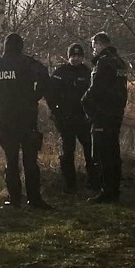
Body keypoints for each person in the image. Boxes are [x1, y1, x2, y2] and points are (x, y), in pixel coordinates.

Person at [0, 33, 52, 209]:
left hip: (5, 117)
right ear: (21, 46)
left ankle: (14, 200)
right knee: (30, 160)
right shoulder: (28, 63)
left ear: (5, 47)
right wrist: (34, 96)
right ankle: (34, 199)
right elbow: (45, 77)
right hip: (27, 116)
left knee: (11, 160)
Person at [82, 32, 127, 203]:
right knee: (114, 151)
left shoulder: (104, 62)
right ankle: (114, 188)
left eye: (94, 45)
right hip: (116, 113)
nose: (93, 49)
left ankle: (106, 191)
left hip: (103, 114)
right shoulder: (120, 62)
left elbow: (96, 89)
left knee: (102, 154)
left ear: (100, 43)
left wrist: (85, 102)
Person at [47, 43, 96, 192]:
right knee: (67, 153)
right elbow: (50, 94)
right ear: (68, 57)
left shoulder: (88, 73)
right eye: (73, 56)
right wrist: (55, 112)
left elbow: (94, 95)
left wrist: (91, 115)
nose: (75, 58)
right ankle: (70, 185)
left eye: (78, 56)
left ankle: (93, 182)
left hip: (83, 119)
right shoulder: (60, 72)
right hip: (65, 119)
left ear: (82, 57)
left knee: (90, 151)